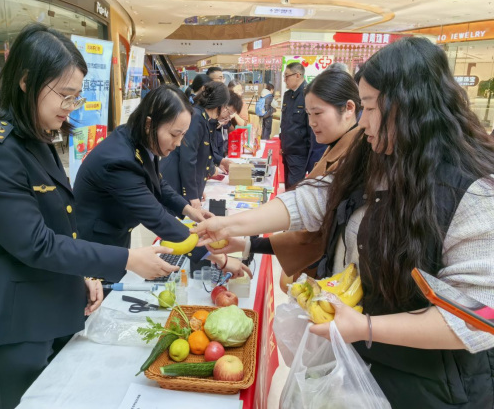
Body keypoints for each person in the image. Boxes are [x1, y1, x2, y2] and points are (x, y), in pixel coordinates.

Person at [194, 37, 494, 408]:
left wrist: (367, 327)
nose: (363, 121)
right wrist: (234, 225)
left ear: (408, 107)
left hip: (428, 387)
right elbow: (316, 198)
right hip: (360, 367)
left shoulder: (474, 191)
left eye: (370, 107)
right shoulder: (377, 153)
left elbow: (478, 317)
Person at [0, 23, 177, 409]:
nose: (71, 107)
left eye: (76, 97)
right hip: (13, 323)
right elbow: (34, 243)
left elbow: (59, 224)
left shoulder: (33, 136)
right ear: (26, 81)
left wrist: (81, 276)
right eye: (65, 95)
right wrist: (125, 258)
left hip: (50, 306)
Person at [73, 85, 250, 278]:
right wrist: (218, 258)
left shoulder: (139, 138)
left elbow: (158, 183)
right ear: (150, 124)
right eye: (174, 134)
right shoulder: (119, 160)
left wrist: (189, 211)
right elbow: (156, 216)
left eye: (183, 135)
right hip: (96, 243)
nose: (178, 143)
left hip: (116, 232)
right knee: (99, 297)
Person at [208, 69, 360, 292]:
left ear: (349, 108)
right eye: (309, 114)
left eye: (317, 114)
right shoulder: (342, 143)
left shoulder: (354, 152)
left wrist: (228, 225)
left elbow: (306, 206)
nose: (311, 122)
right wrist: (246, 240)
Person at [161, 81, 229, 209]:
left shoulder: (204, 118)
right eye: (225, 107)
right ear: (219, 105)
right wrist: (192, 194)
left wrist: (197, 189)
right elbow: (188, 158)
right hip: (174, 180)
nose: (225, 110)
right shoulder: (197, 117)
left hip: (183, 183)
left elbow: (204, 154)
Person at [280, 62, 327, 189]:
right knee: (287, 186)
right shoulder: (288, 95)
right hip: (287, 150)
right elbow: (285, 123)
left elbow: (311, 128)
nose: (285, 80)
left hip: (299, 152)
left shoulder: (308, 95)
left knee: (294, 188)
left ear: (298, 75)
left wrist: (309, 155)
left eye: (287, 76)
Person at [212, 91, 243, 174]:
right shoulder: (207, 123)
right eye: (229, 113)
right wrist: (220, 162)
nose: (228, 118)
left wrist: (219, 163)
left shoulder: (219, 123)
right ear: (223, 107)